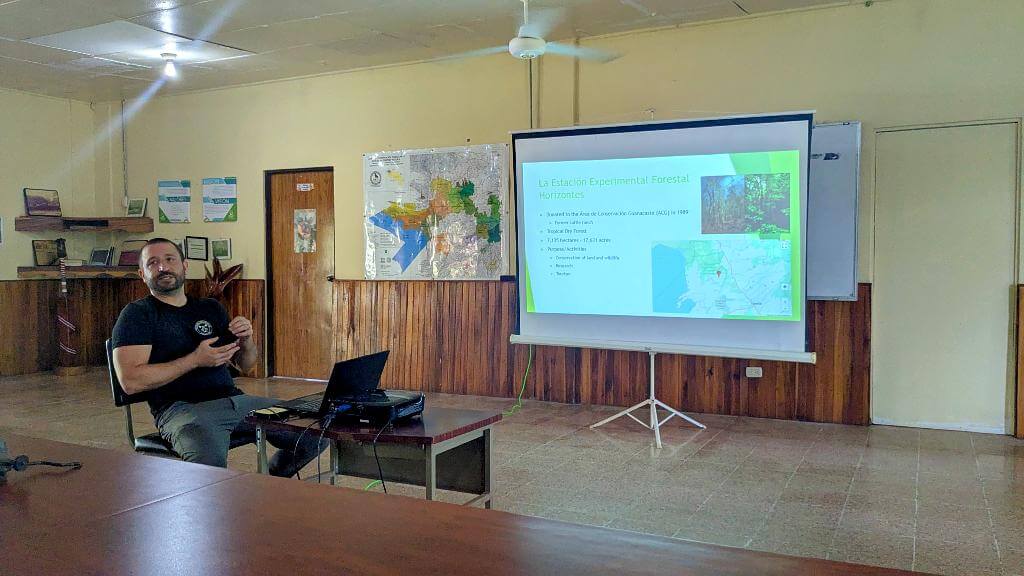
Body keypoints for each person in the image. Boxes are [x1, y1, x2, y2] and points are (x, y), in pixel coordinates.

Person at [111, 238, 324, 477]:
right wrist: (194, 360)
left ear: (184, 265)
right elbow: (130, 381)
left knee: (317, 428)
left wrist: (246, 340)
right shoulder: (137, 315)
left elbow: (245, 365)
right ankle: (209, 511)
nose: (163, 267)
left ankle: (271, 482)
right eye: (153, 263)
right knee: (208, 469)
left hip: (236, 402)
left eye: (170, 259)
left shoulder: (209, 308)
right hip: (182, 411)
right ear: (142, 273)